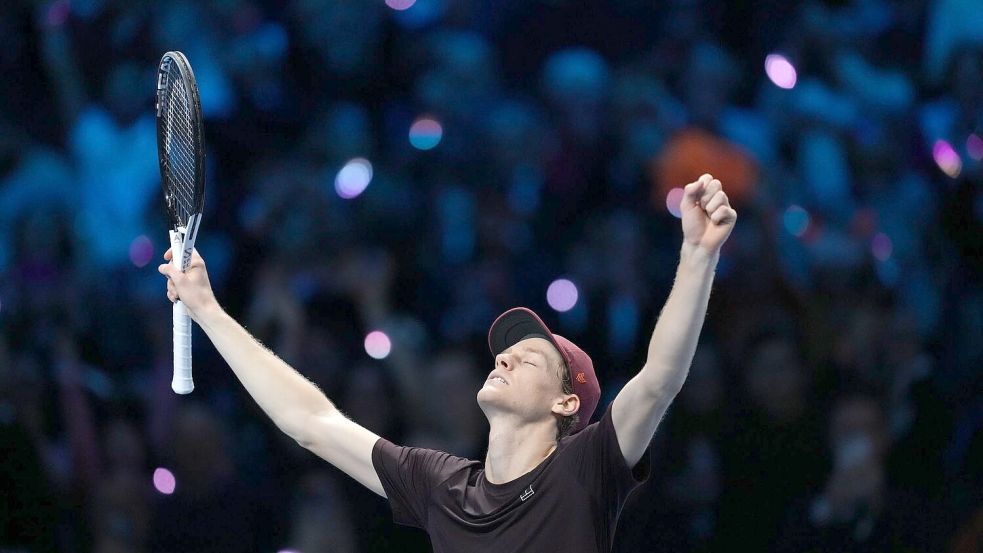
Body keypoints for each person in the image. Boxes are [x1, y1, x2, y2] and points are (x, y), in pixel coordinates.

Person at [157, 173, 737, 552]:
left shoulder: (584, 469)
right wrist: (209, 310)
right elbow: (311, 423)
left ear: (566, 403)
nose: (505, 358)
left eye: (529, 358)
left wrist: (696, 254)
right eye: (506, 352)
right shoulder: (439, 486)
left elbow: (658, 380)